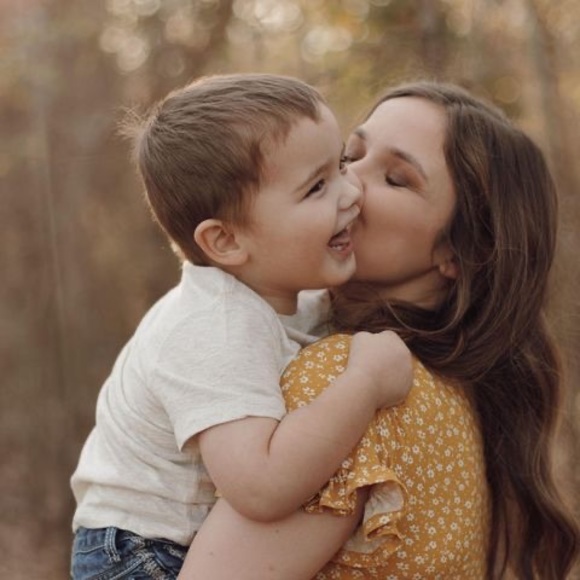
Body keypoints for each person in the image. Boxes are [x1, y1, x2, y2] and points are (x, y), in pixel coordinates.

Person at [179, 81, 580, 579]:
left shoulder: (349, 384)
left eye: (395, 179)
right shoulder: (453, 398)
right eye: (349, 155)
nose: (348, 183)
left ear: (460, 251)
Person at [69, 74, 413, 579]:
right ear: (226, 242)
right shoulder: (216, 326)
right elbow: (263, 487)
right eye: (317, 187)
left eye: (340, 165)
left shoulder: (291, 299)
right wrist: (366, 382)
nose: (352, 191)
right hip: (138, 553)